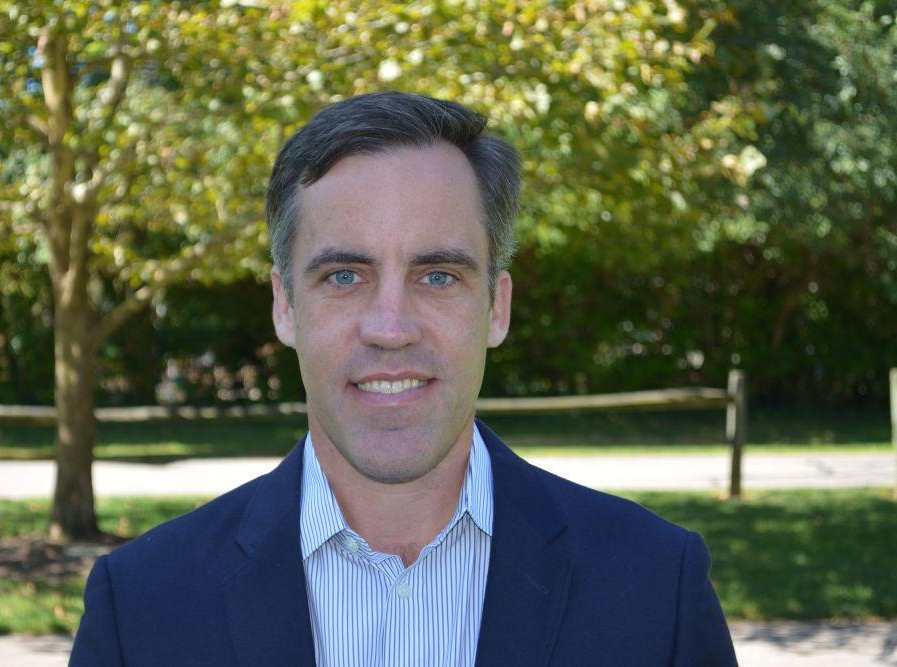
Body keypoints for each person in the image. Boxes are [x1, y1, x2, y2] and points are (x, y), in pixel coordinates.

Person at [70, 91, 737, 666]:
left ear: (497, 306)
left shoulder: (656, 590)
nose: (391, 326)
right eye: (344, 276)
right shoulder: (142, 610)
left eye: (438, 275)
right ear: (284, 305)